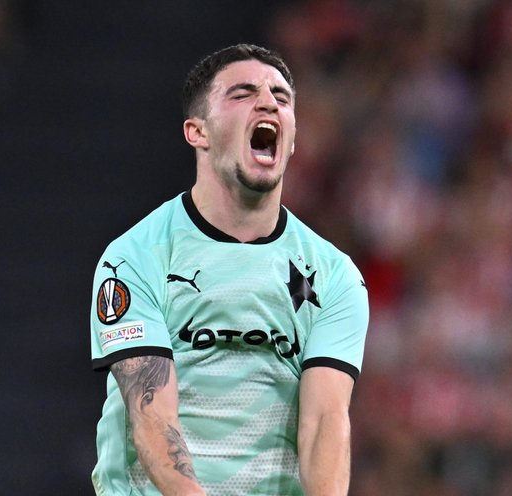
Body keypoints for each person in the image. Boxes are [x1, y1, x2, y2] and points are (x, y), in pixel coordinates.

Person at [89, 43, 369, 495]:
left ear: (292, 139)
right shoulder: (133, 260)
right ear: (197, 131)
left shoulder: (335, 276)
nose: (268, 103)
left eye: (281, 97)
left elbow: (324, 422)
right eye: (243, 93)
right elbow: (153, 416)